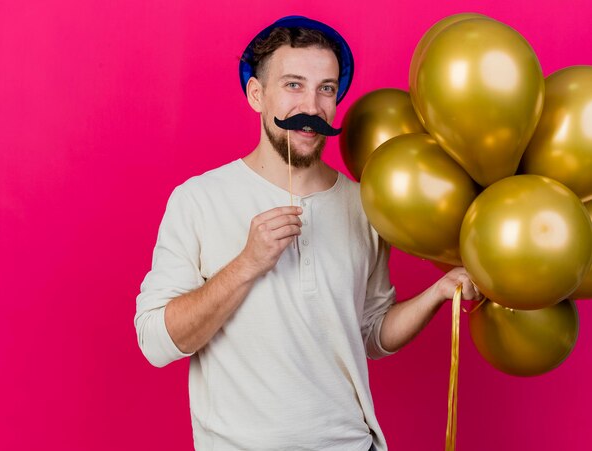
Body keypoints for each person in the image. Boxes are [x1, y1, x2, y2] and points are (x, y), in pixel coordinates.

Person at [134, 16, 481, 451]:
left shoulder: (364, 204)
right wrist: (246, 265)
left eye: (327, 89)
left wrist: (436, 293)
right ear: (257, 95)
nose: (312, 107)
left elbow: (372, 334)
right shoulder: (198, 200)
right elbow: (156, 343)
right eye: (294, 85)